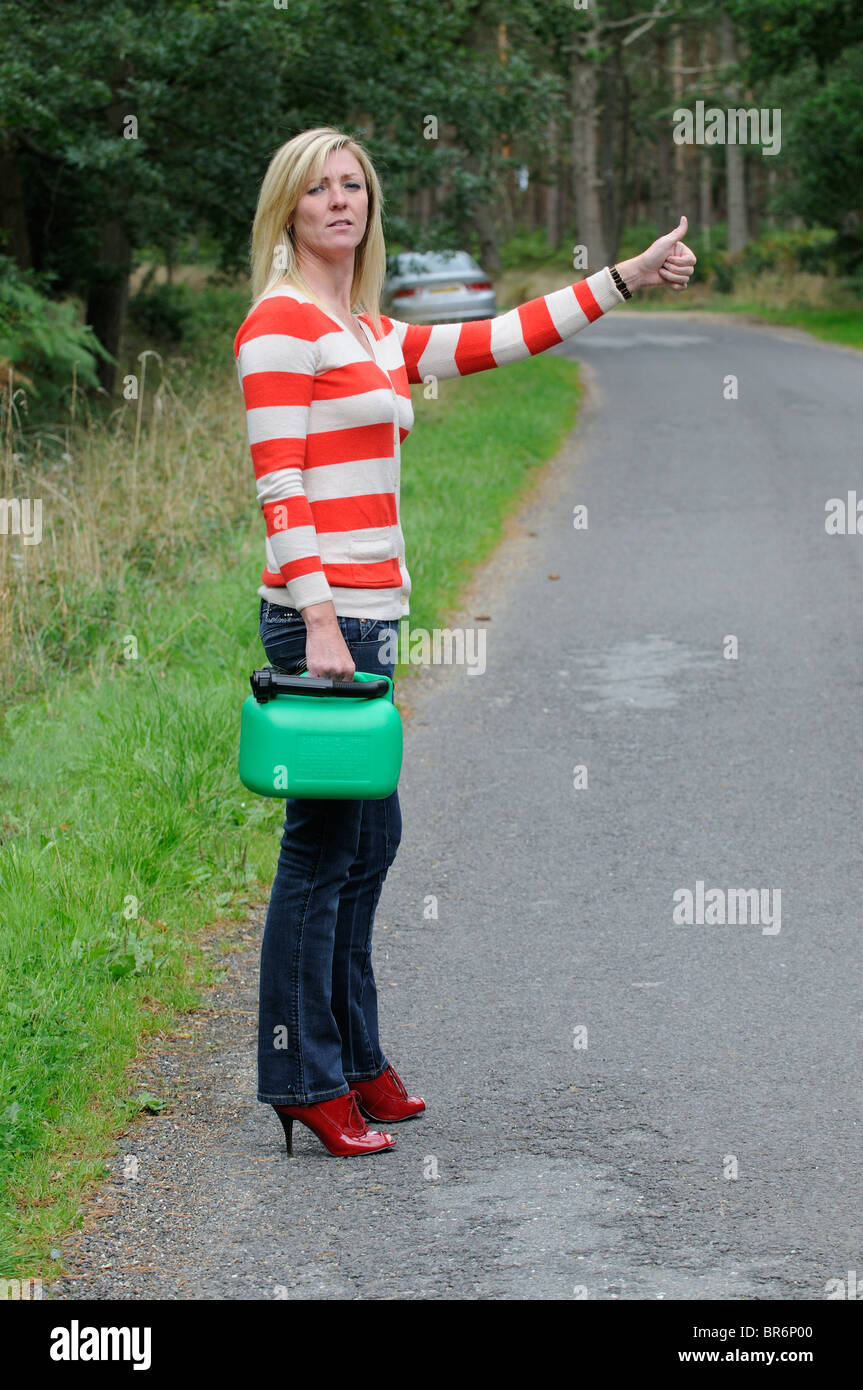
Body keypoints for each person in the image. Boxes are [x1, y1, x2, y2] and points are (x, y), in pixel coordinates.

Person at [234, 125, 696, 1158]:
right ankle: (300, 1075)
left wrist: (619, 276)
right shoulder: (279, 326)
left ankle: (352, 1057)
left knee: (367, 841)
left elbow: (493, 339)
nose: (340, 202)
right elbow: (281, 487)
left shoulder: (360, 329)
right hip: (323, 622)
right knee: (319, 854)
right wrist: (314, 619)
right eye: (319, 189)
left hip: (369, 620)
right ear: (289, 209)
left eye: (354, 184)